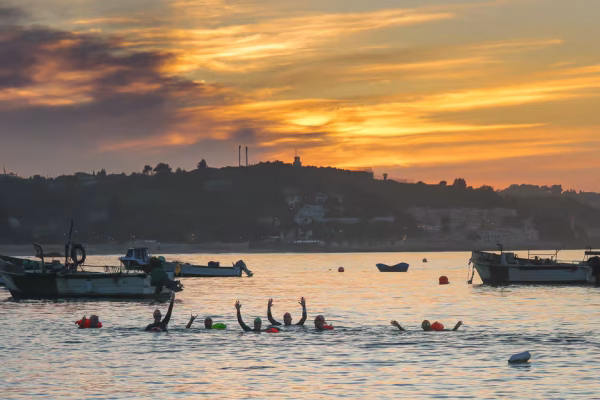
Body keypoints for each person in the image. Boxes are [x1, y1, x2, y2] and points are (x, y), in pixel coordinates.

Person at [390, 319, 463, 332]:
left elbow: (405, 332)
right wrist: (457, 325)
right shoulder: (439, 331)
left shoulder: (420, 332)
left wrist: (398, 325)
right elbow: (453, 331)